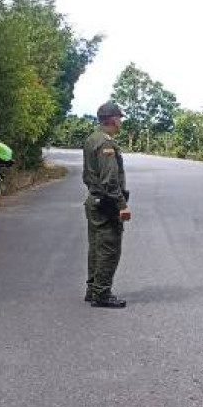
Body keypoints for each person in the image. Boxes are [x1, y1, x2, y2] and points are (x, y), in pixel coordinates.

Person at [83, 101, 131, 308]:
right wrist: (122, 205)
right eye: (119, 118)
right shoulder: (106, 144)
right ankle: (102, 294)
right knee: (109, 249)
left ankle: (93, 288)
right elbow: (110, 180)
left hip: (94, 200)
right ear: (112, 119)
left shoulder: (92, 138)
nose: (120, 121)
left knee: (96, 247)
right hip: (106, 202)